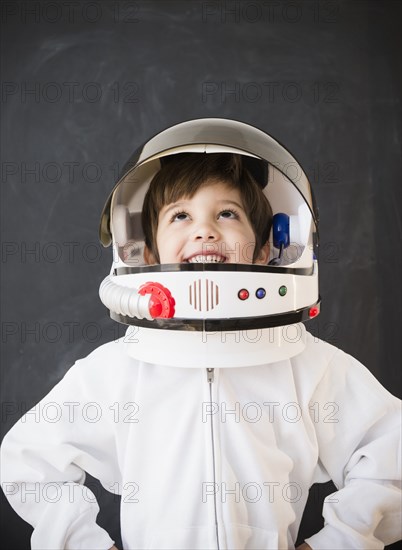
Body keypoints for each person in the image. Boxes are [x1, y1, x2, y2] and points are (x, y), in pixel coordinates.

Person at [1, 120, 401, 550]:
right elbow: (29, 460)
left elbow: (391, 455)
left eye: (227, 213)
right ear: (147, 247)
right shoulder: (117, 369)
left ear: (267, 247)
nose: (204, 230)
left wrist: (338, 543)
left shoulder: (307, 364)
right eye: (180, 215)